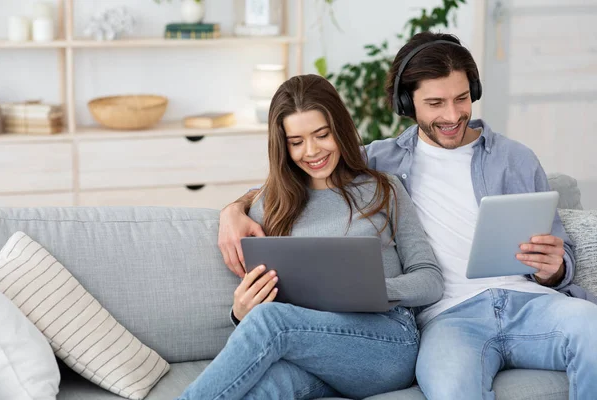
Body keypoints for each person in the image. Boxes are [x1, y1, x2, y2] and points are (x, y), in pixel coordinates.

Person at [217, 32, 597, 399]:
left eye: (462, 98)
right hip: (449, 318)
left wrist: (554, 269)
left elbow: (562, 252)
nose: (452, 115)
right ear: (406, 103)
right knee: (451, 387)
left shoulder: (515, 158)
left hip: (529, 301)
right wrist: (232, 210)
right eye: (435, 103)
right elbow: (302, 172)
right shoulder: (380, 163)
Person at [177, 74, 443, 400]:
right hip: (314, 350)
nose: (312, 151)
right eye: (297, 141)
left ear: (339, 130)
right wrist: (240, 313)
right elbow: (270, 310)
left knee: (270, 321)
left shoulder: (383, 189)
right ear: (283, 145)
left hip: (386, 343)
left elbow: (430, 280)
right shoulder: (268, 207)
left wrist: (374, 289)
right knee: (263, 391)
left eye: (321, 134)